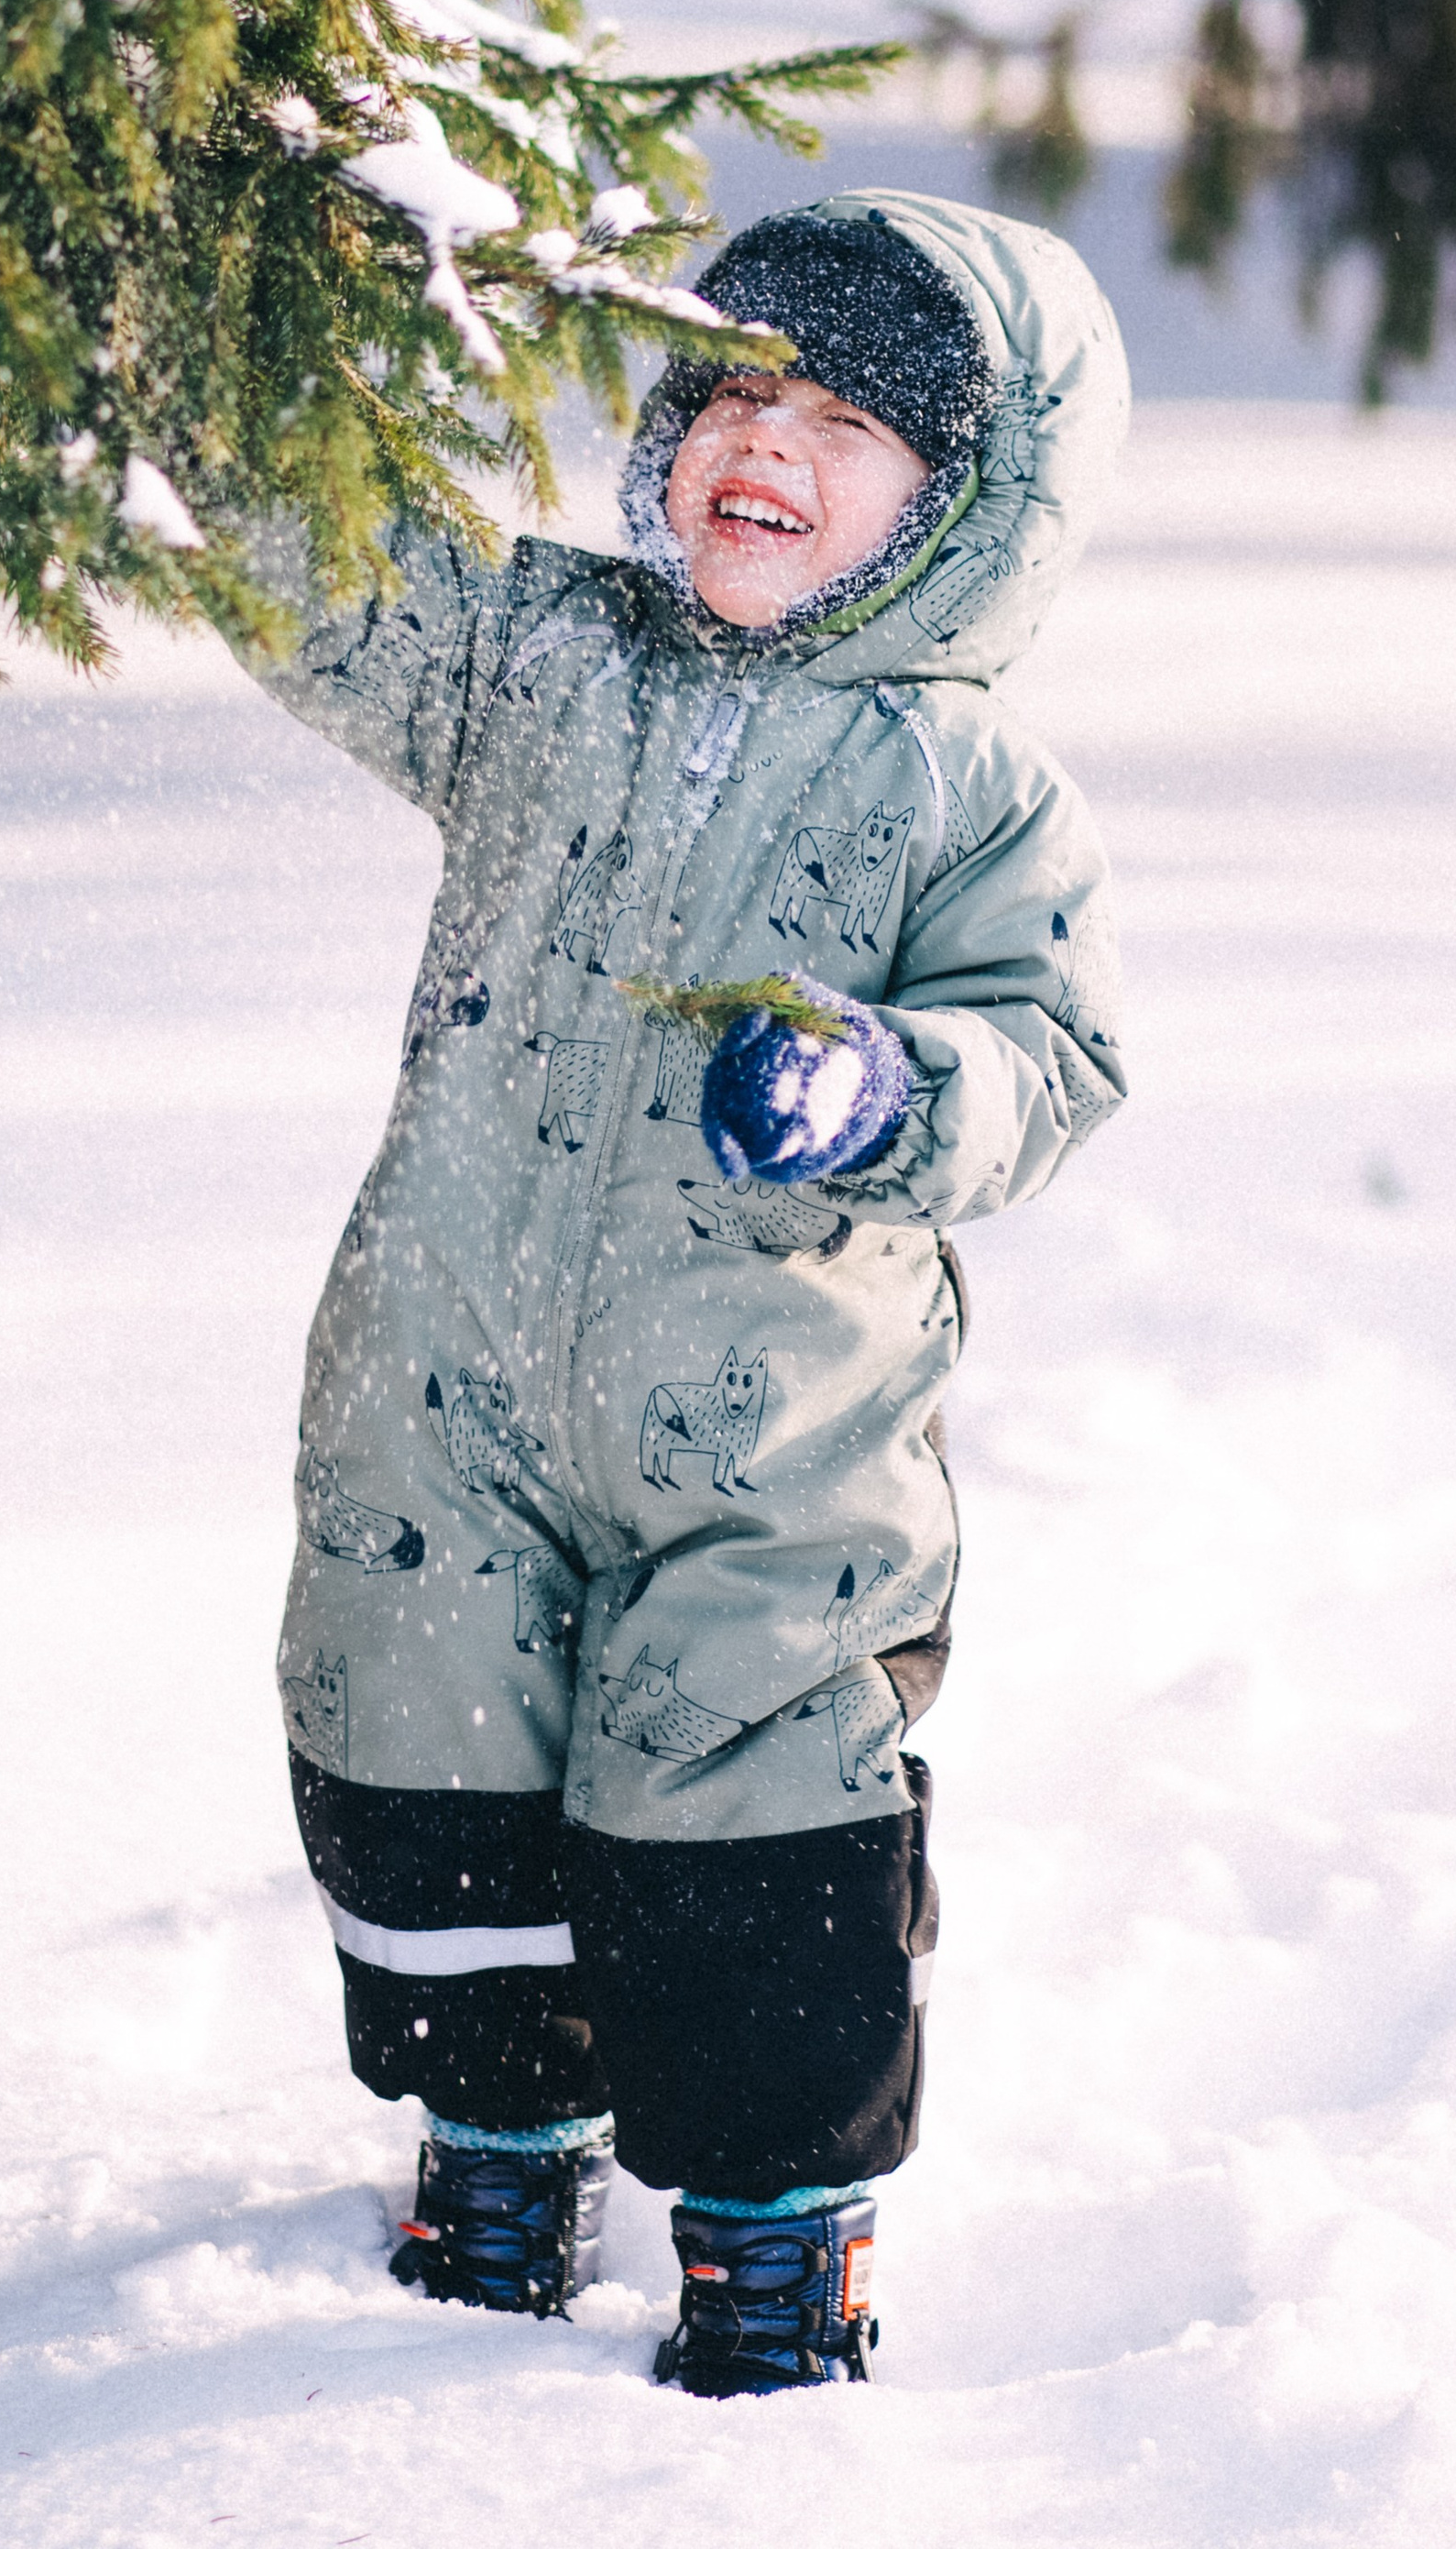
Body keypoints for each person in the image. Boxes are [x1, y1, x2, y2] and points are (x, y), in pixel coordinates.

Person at [245, 191, 1129, 2392]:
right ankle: (501, 2129)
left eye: (849, 418)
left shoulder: (966, 779)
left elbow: (1053, 1059)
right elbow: (303, 562)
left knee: (743, 1810)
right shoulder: (543, 654)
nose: (770, 440)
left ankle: (762, 2221)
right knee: (419, 1733)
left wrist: (886, 1087)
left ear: (973, 501)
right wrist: (231, 332)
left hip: (767, 1439)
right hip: (443, 1373)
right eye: (735, 384)